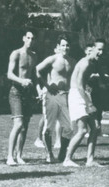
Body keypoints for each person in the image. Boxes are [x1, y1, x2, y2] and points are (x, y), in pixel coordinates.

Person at [63, 39, 105, 167]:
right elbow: (79, 86)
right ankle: (67, 159)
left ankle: (90, 160)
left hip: (84, 94)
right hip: (77, 95)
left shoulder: (93, 63)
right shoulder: (85, 63)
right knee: (82, 130)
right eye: (99, 49)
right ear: (92, 49)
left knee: (95, 128)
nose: (101, 52)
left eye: (103, 50)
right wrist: (89, 104)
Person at [35, 35, 74, 163]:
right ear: (58, 47)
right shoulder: (53, 59)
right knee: (49, 127)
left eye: (67, 45)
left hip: (65, 96)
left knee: (69, 128)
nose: (65, 48)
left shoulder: (72, 61)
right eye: (63, 45)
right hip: (52, 96)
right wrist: (46, 86)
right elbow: (36, 70)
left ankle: (62, 154)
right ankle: (49, 154)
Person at [6, 30, 39, 166]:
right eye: (28, 37)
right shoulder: (16, 53)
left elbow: (35, 76)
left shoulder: (34, 56)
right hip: (16, 91)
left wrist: (38, 90)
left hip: (28, 93)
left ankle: (19, 155)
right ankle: (9, 157)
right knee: (18, 124)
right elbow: (9, 74)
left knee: (25, 126)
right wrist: (21, 81)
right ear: (23, 38)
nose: (30, 40)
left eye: (32, 38)